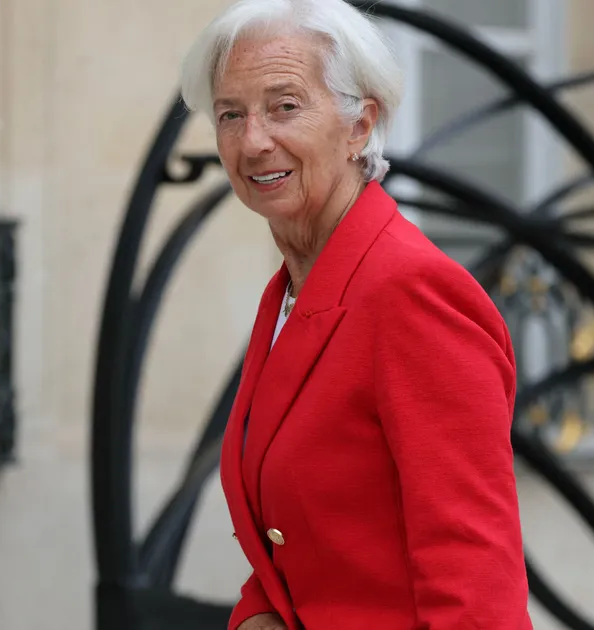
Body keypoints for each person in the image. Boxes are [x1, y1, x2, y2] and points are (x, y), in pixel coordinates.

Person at [179, 0, 531, 628]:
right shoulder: (294, 288)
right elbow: (306, 537)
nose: (253, 141)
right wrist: (258, 613)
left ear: (359, 126)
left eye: (285, 106)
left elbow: (475, 583)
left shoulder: (411, 292)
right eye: (231, 114)